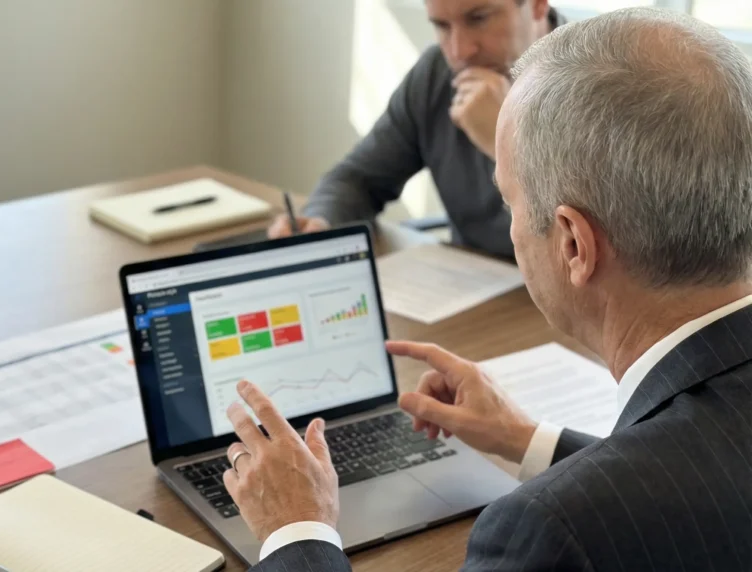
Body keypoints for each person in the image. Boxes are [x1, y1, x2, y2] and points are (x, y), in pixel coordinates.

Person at [227, 8, 752, 571]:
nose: (457, 47)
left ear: (574, 243)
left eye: (511, 202)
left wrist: (297, 531)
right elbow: (681, 472)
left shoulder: (547, 532)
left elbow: (619, 506)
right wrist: (527, 439)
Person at [267, 0, 565, 259]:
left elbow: (588, 245)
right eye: (442, 26)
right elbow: (357, 180)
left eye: (478, 18)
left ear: (538, 4)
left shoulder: (597, 85)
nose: (459, 51)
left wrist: (506, 147)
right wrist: (323, 224)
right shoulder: (436, 75)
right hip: (472, 293)